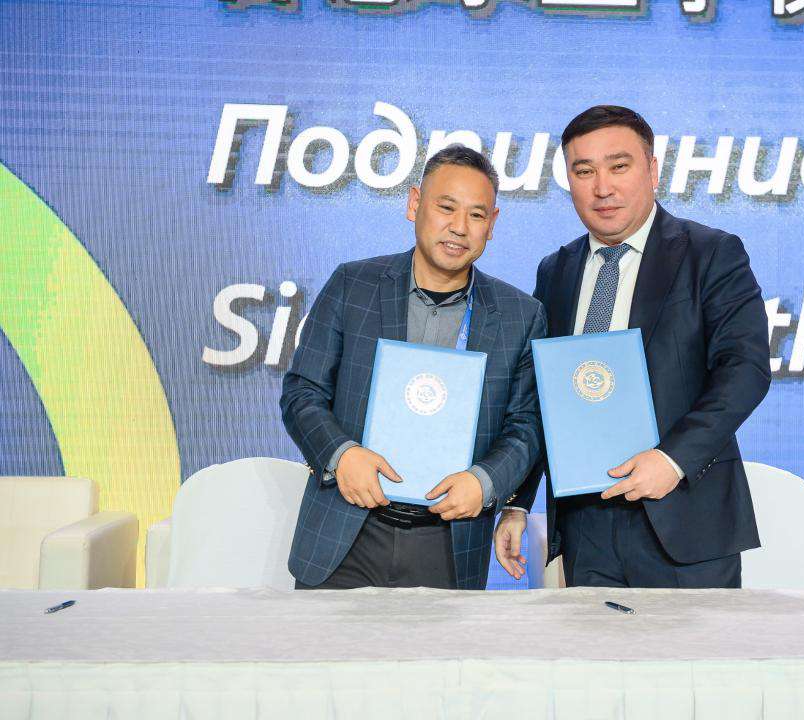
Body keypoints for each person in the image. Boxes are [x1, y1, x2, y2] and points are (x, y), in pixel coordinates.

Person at [495, 106, 770, 588]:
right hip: (586, 524)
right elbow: (544, 394)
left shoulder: (711, 253)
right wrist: (518, 501)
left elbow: (745, 369)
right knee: (593, 642)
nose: (602, 187)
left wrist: (672, 460)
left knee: (690, 645)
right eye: (584, 171)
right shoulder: (555, 271)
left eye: (619, 166)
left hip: (684, 517)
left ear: (652, 170)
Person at [282, 145, 546, 590]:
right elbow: (301, 393)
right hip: (347, 530)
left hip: (447, 541)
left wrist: (485, 482)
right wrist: (341, 455)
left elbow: (527, 426)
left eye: (476, 215)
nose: (459, 227)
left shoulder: (520, 315)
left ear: (492, 224)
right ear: (414, 203)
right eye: (446, 207)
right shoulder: (353, 285)